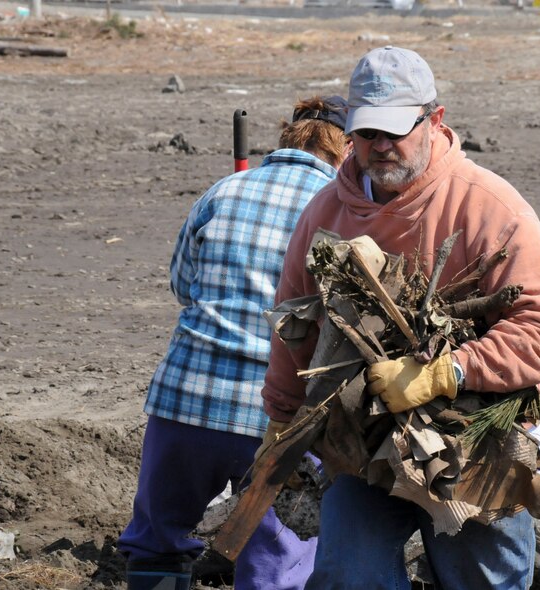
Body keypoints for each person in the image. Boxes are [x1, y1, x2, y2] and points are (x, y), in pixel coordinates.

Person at [261, 47, 540, 589]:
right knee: (348, 576)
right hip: (362, 438)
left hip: (477, 435)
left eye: (397, 130)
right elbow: (295, 327)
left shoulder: (489, 206)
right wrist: (281, 420)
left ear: (435, 120)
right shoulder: (324, 215)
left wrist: (444, 372)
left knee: (482, 578)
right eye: (367, 132)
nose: (380, 147)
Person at [118, 96, 351, 590]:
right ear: (346, 150)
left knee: (157, 542)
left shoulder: (223, 192)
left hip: (187, 400)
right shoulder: (344, 211)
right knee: (276, 563)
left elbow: (183, 287)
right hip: (282, 418)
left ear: (289, 136)